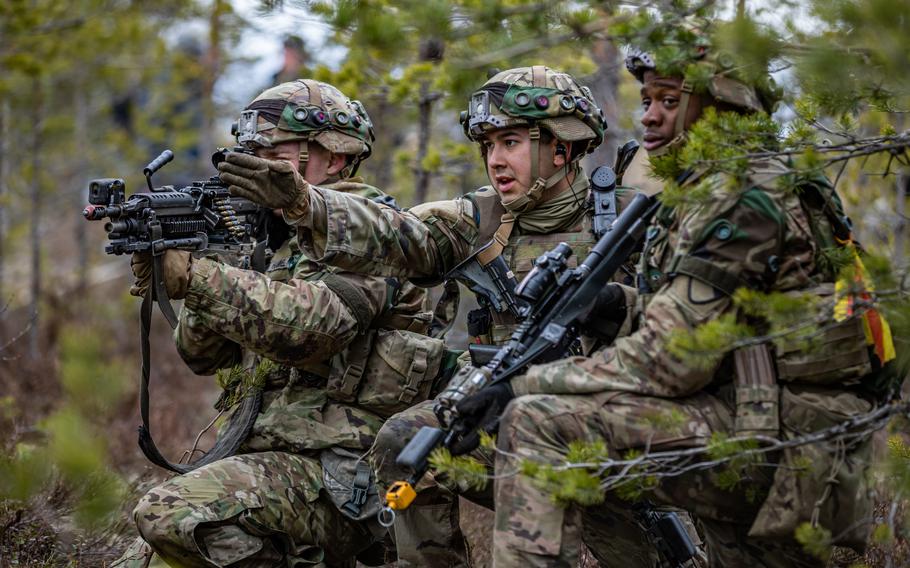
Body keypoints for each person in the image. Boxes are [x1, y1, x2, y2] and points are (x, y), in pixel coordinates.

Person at [452, 26, 896, 568]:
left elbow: (671, 361)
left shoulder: (746, 198)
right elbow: (716, 326)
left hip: (782, 441)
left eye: (669, 101)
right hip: (762, 420)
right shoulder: (712, 192)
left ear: (720, 106)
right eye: (645, 101)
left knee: (539, 420)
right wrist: (620, 305)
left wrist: (516, 385)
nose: (649, 118)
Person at [229, 65, 703, 567]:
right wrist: (310, 205)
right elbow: (396, 233)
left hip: (612, 435)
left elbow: (687, 335)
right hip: (510, 421)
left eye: (512, 142)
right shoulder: (478, 219)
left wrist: (613, 308)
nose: (495, 160)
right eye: (488, 145)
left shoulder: (636, 222)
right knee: (407, 440)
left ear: (562, 147)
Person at [115, 79, 447, 568]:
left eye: (272, 152)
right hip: (268, 459)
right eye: (249, 152)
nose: (256, 166)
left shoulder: (374, 233)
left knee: (169, 514)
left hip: (347, 475)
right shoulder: (269, 237)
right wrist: (186, 271)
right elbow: (202, 357)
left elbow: (315, 331)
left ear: (333, 157)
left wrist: (204, 278)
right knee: (141, 559)